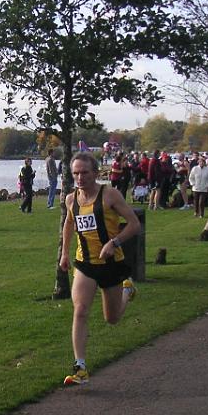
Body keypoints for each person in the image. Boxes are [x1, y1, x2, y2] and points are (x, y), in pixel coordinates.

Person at [60, 152, 139, 386]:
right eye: (76, 173)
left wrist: (114, 243)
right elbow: (69, 223)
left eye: (84, 172)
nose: (80, 177)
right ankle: (80, 368)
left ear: (95, 173)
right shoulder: (71, 199)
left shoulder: (110, 195)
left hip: (111, 264)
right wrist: (64, 253)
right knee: (80, 310)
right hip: (85, 264)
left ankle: (127, 290)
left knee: (112, 318)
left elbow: (134, 224)